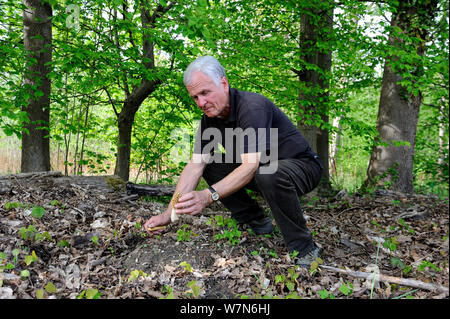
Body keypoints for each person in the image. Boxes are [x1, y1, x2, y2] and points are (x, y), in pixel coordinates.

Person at [144, 56, 323, 267]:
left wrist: (207, 196)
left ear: (224, 83)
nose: (201, 103)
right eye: (195, 97)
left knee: (268, 172)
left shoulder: (252, 107)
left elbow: (250, 166)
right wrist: (168, 213)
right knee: (209, 162)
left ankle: (304, 249)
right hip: (263, 171)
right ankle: (256, 220)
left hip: (302, 167)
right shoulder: (209, 120)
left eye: (205, 93)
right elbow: (195, 166)